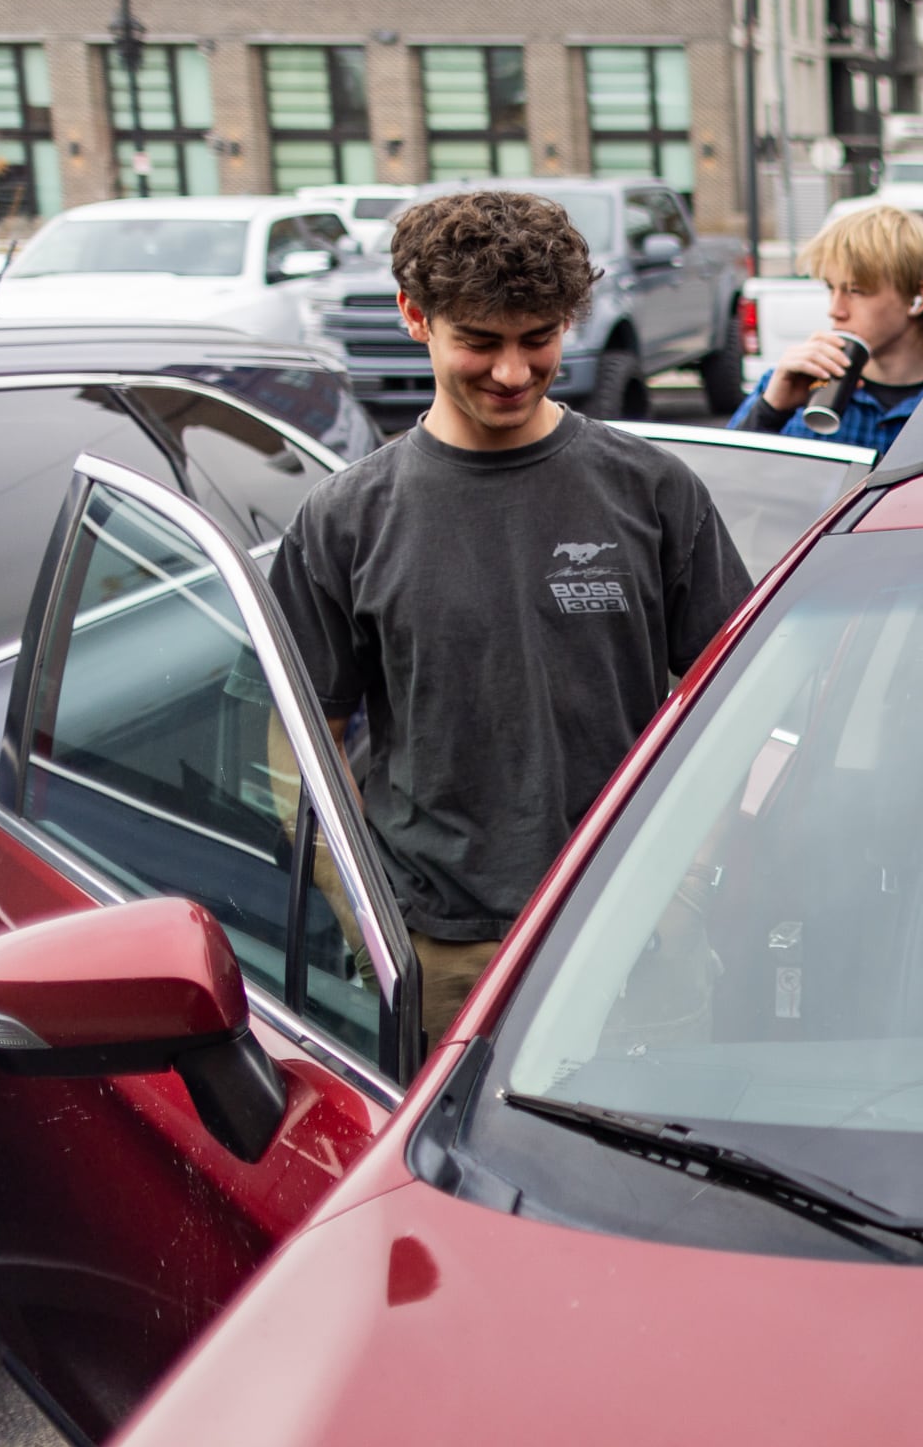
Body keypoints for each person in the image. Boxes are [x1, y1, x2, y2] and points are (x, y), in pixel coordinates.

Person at [268, 191, 753, 1043]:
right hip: (445, 950)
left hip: (635, 926)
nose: (513, 372)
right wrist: (368, 918)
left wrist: (689, 878)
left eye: (540, 340)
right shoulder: (346, 519)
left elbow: (743, 699)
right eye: (480, 342)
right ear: (416, 317)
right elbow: (300, 740)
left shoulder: (650, 491)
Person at [730, 202, 923, 453]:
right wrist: (770, 411)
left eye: (855, 291)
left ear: (917, 298)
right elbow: (720, 480)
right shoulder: (793, 387)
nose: (835, 309)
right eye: (831, 288)